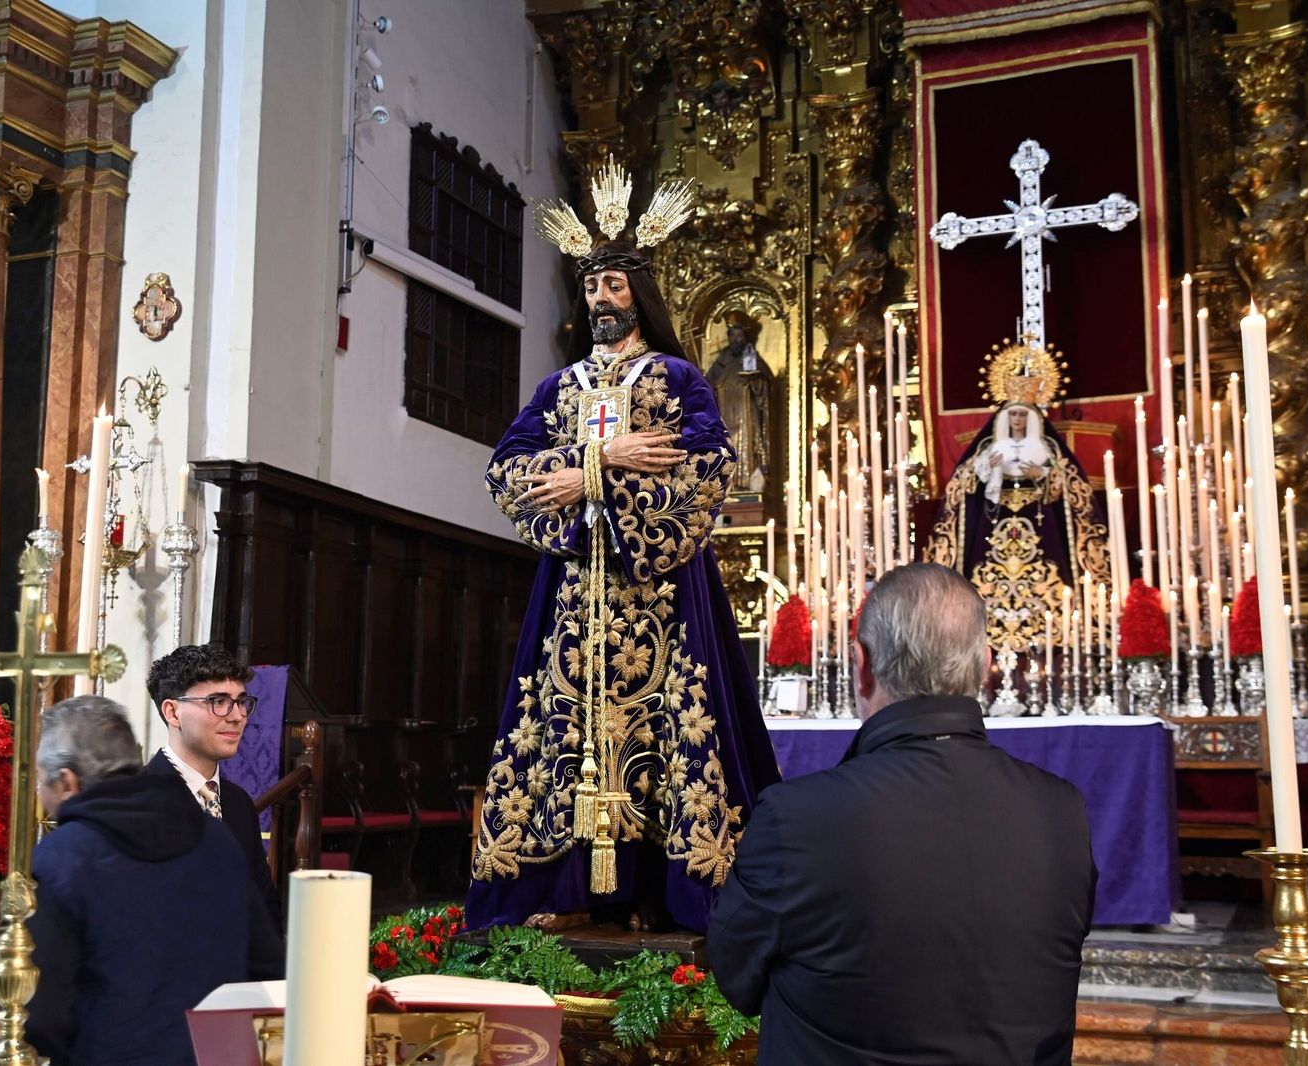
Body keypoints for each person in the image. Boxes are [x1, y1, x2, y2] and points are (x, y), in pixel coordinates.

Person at [468, 161, 780, 934]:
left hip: (664, 590)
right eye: (591, 288)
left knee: (675, 729)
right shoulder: (560, 389)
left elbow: (709, 464)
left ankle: (668, 894)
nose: (601, 301)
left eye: (614, 287)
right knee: (559, 730)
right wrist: (595, 470)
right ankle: (569, 889)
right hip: (575, 594)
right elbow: (506, 468)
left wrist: (600, 485)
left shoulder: (678, 380)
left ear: (639, 293)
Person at [708, 564, 1096, 1066]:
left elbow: (736, 978)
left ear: (861, 664)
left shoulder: (798, 819)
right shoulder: (1061, 812)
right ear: (984, 665)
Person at [26, 696, 283, 1066]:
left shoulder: (60, 859)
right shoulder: (216, 838)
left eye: (40, 783)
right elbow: (267, 967)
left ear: (67, 782)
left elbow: (42, 1013)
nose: (41, 795)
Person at [927, 395, 1109, 652]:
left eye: (1023, 415)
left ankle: (1054, 627)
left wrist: (1042, 475)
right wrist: (985, 469)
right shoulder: (990, 447)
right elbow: (965, 483)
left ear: (1032, 420)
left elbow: (1064, 486)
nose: (1018, 419)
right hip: (994, 520)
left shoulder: (1045, 448)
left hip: (1039, 518)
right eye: (1013, 415)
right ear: (1004, 419)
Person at [145, 643, 280, 923]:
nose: (237, 716)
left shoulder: (239, 802)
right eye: (218, 701)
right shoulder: (137, 801)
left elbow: (264, 910)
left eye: (241, 701)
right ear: (172, 712)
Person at [705, 317, 773, 494]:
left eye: (740, 336)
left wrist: (754, 381)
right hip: (725, 415)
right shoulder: (722, 361)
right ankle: (726, 487)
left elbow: (764, 386)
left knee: (747, 446)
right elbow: (706, 387)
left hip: (745, 414)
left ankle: (748, 486)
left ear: (746, 338)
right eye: (733, 336)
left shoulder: (752, 358)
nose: (736, 340)